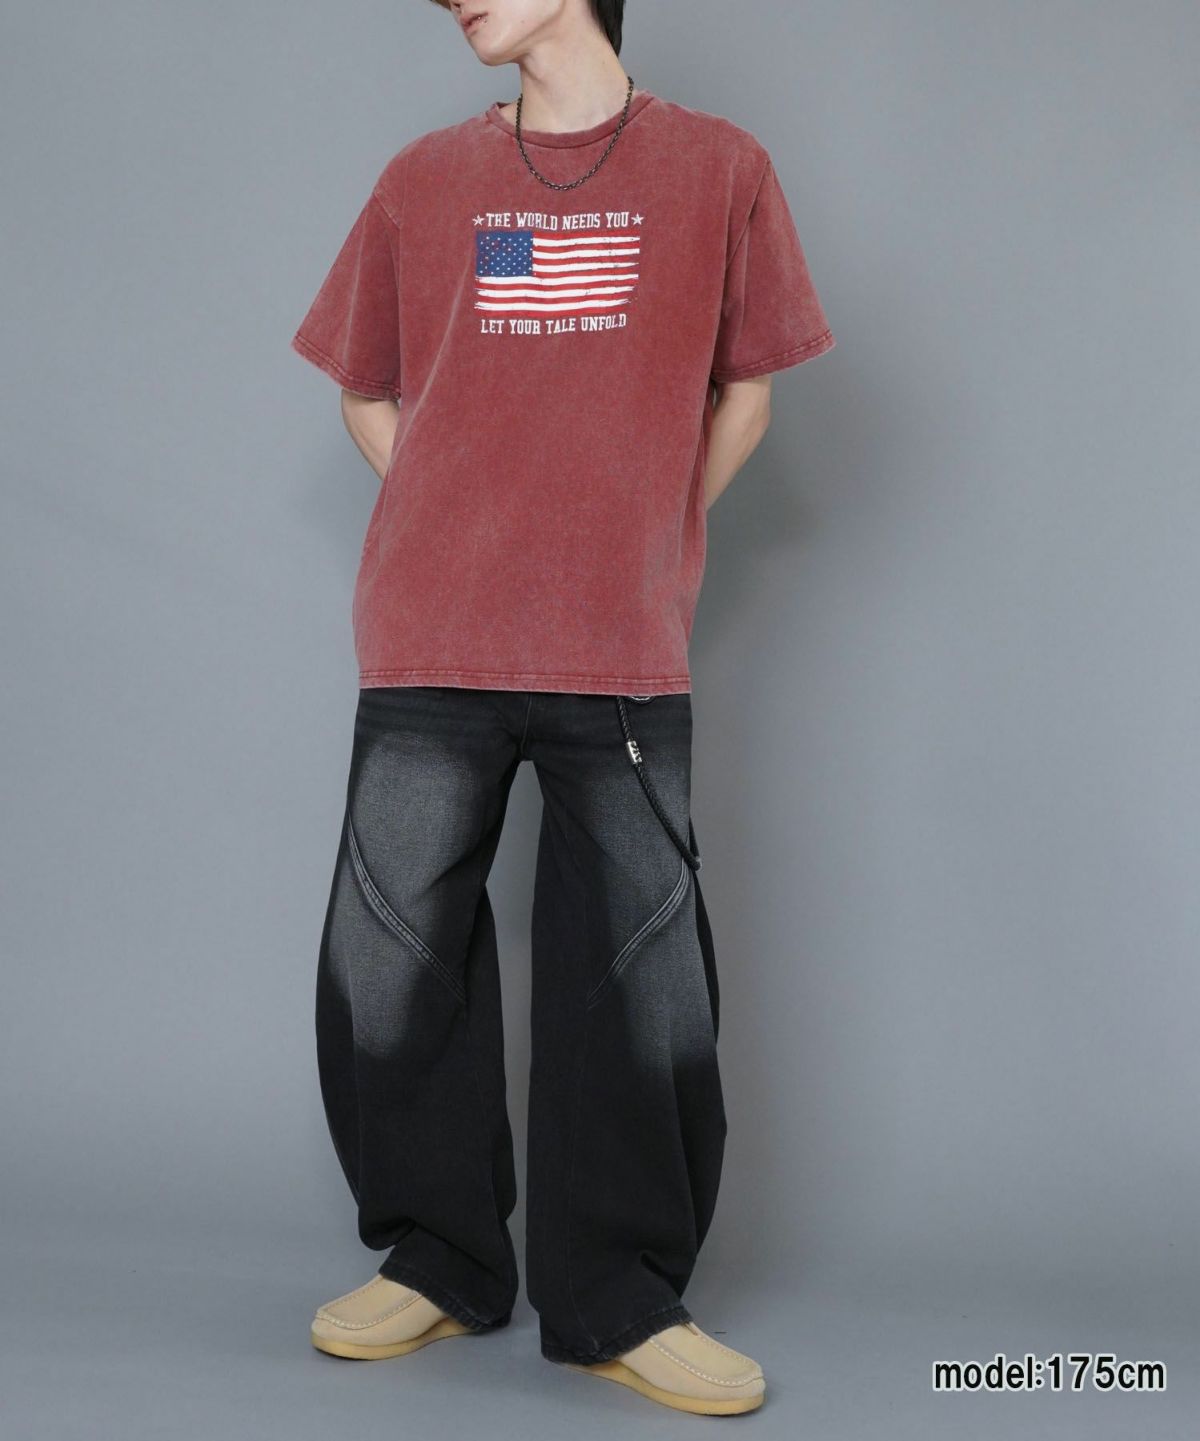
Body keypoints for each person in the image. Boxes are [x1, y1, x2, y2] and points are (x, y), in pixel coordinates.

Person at [290, 0, 834, 1416]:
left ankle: (620, 1294)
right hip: (431, 632)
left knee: (639, 982)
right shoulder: (423, 181)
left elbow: (749, 393)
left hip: (617, 644)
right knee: (390, 961)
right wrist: (460, 515)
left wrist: (639, 533)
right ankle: (439, 1259)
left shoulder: (720, 169)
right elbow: (365, 390)